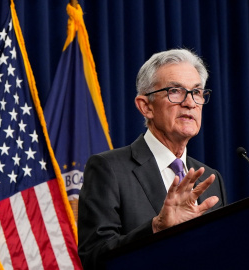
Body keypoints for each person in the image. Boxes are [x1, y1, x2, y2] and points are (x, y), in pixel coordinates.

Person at [77, 48, 227, 268]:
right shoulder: (108, 168)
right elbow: (94, 257)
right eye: (175, 91)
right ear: (145, 106)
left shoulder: (212, 179)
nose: (190, 103)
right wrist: (156, 228)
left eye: (196, 92)